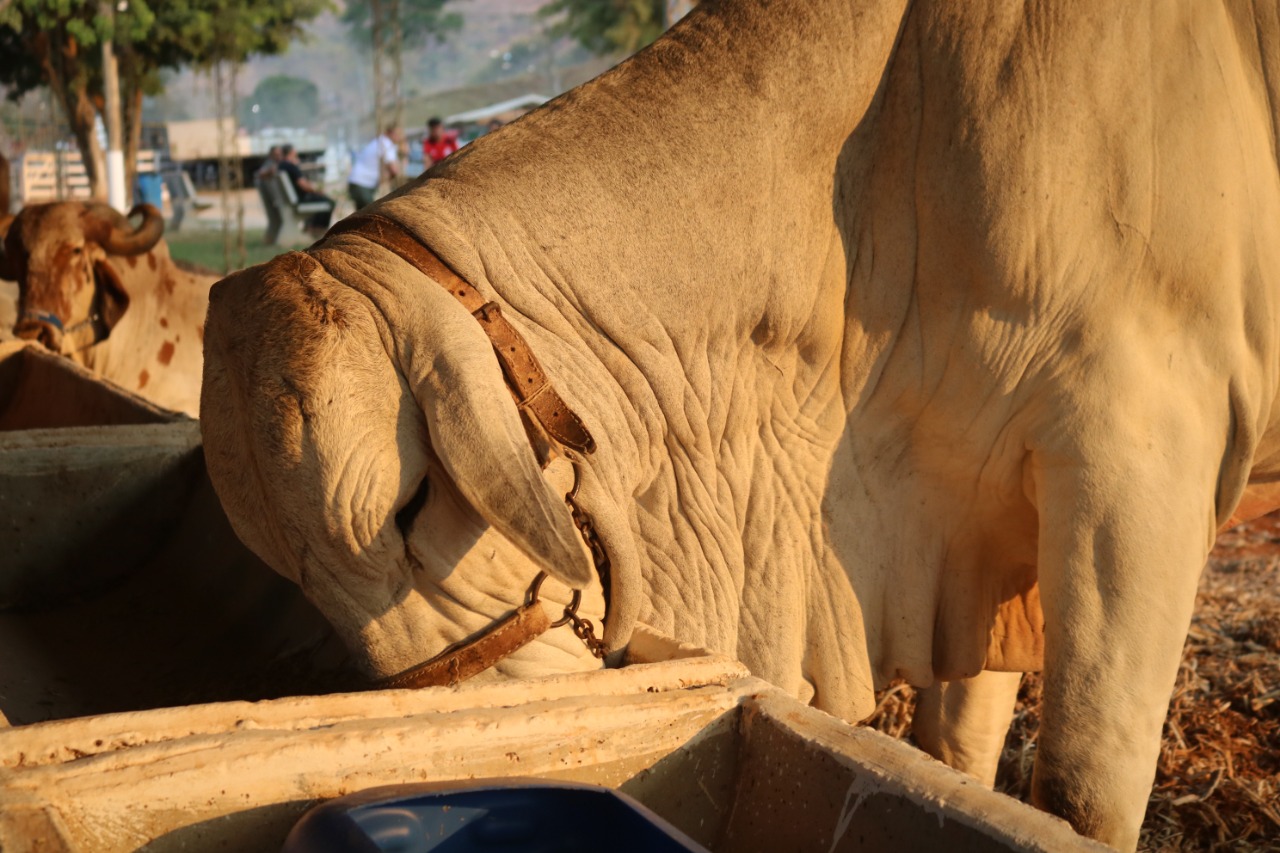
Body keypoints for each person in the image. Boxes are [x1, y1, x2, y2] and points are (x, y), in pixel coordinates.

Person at [278, 143, 334, 234]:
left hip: (292, 199)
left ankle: (311, 227)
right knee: (329, 202)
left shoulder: (281, 166)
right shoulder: (291, 167)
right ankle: (318, 229)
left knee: (320, 199)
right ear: (291, 153)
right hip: (300, 199)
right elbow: (303, 185)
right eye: (295, 153)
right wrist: (317, 191)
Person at [347, 125, 402, 210]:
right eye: (398, 134)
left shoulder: (377, 141)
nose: (400, 138)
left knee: (362, 215)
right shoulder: (386, 144)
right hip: (363, 185)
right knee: (372, 213)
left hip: (355, 183)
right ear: (391, 133)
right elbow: (394, 169)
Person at [254, 146, 284, 244]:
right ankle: (269, 241)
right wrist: (270, 171)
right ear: (271, 155)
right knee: (274, 219)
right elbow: (260, 173)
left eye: (280, 154)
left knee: (275, 220)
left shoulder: (277, 164)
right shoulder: (270, 164)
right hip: (271, 199)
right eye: (276, 154)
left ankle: (270, 240)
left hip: (273, 198)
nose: (278, 156)